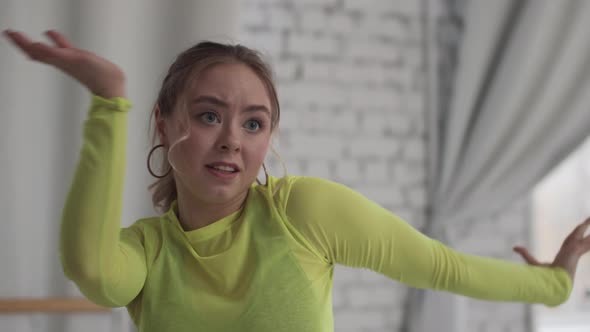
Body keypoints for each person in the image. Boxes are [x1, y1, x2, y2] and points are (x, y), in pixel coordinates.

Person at [4, 29, 590, 332]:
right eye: (209, 115)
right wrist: (109, 103)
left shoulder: (302, 212)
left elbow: (442, 266)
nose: (232, 137)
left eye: (253, 123)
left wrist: (554, 288)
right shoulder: (147, 253)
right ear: (165, 123)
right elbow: (93, 271)